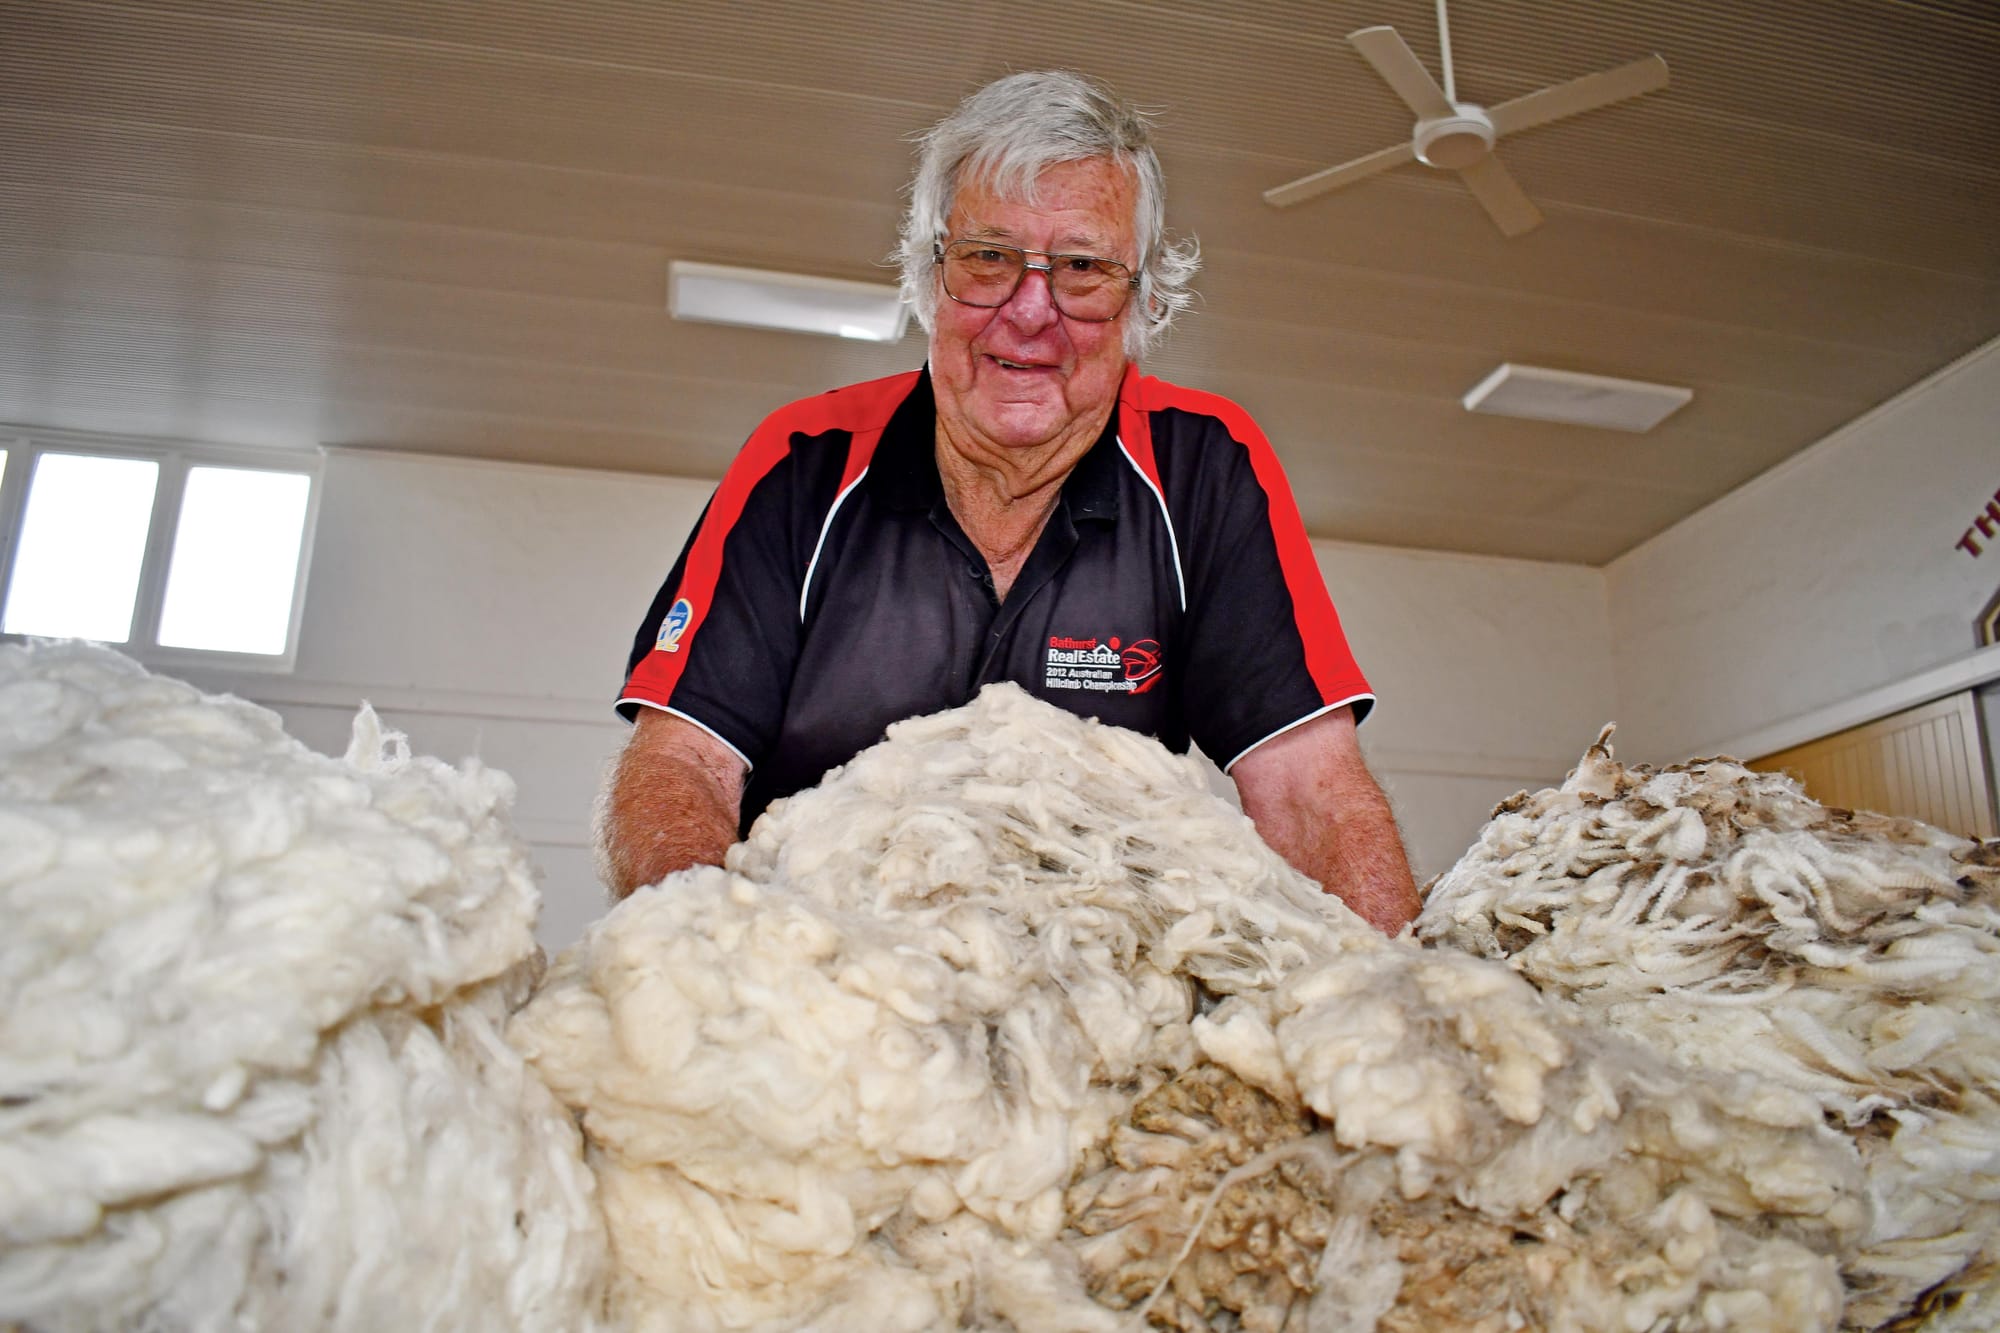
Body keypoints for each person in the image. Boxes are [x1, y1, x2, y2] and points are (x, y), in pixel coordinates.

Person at [601, 71, 1420, 933]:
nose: (1032, 313)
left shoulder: (1204, 468)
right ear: (928, 276)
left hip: (1091, 999)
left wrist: (1396, 1006)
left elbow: (1310, 791)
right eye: (989, 257)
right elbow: (680, 763)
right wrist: (713, 954)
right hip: (819, 990)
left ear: (1141, 300)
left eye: (1082, 268)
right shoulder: (803, 464)